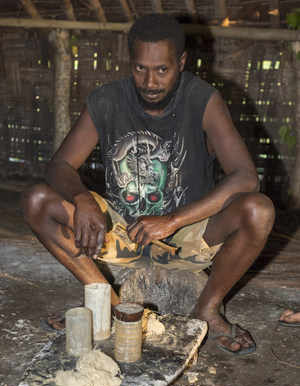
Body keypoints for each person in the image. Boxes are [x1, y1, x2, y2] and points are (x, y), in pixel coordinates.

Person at [20, 13, 275, 355]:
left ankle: (207, 308)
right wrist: (82, 199)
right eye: (140, 68)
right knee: (37, 199)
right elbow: (59, 165)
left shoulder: (203, 101)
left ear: (181, 62)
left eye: (162, 70)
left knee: (259, 210)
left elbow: (245, 176)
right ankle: (105, 302)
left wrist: (171, 220)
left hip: (190, 236)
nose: (150, 81)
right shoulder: (107, 100)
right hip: (122, 233)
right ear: (130, 62)